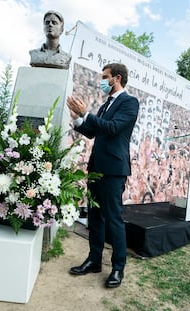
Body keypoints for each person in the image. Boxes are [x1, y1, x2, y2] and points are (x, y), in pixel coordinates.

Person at [66, 63, 139, 288]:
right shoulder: (107, 104)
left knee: (114, 219)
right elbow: (93, 131)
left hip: (114, 170)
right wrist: (78, 119)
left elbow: (112, 128)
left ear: (117, 78)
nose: (102, 81)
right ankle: (94, 260)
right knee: (95, 217)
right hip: (97, 168)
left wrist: (86, 113)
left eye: (105, 77)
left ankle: (118, 267)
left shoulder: (129, 102)